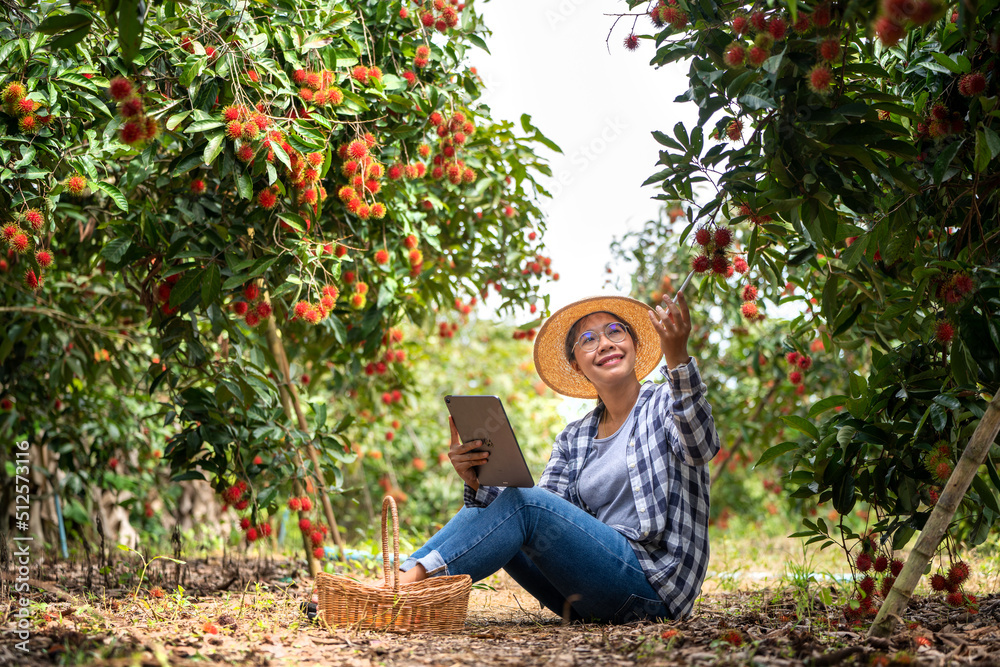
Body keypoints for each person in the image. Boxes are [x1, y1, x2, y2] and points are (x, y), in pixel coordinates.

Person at [397, 293, 720, 623]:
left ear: (634, 345)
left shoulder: (668, 402)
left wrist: (677, 360)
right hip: (585, 594)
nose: (605, 343)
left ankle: (399, 593)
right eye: (588, 339)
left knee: (521, 504)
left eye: (615, 331)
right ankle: (401, 583)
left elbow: (700, 446)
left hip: (651, 591)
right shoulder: (574, 436)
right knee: (494, 503)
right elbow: (545, 512)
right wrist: (478, 483)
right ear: (576, 364)